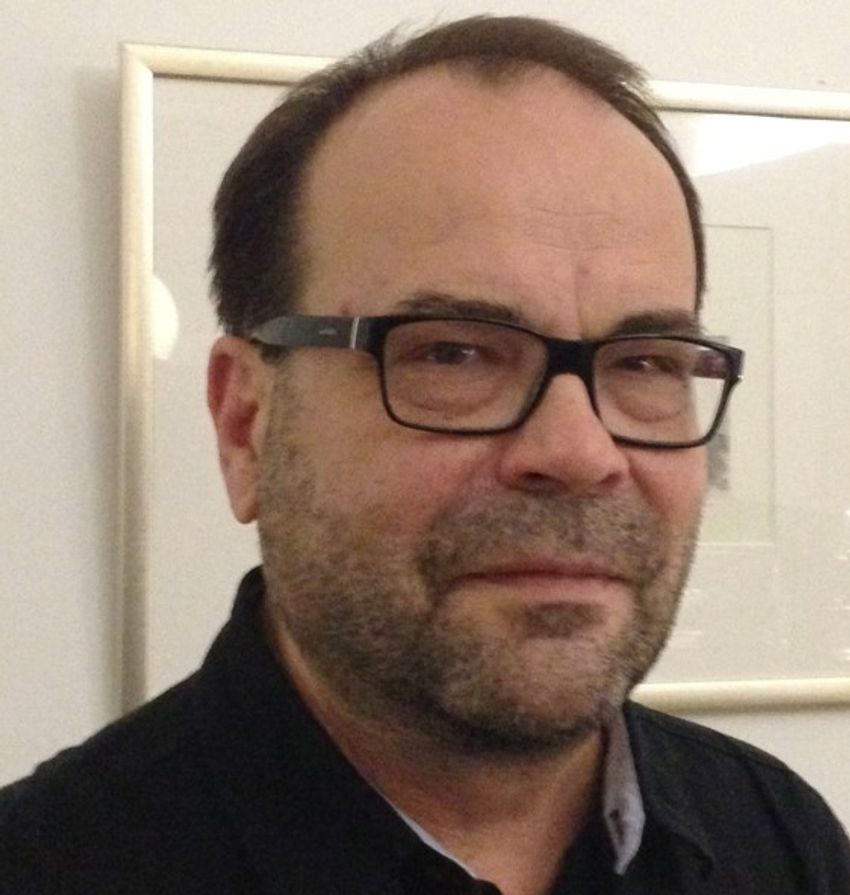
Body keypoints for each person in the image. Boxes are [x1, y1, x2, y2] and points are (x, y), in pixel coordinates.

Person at [1, 14, 848, 895]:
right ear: (246, 423)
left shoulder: (780, 840)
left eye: (644, 363)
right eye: (452, 353)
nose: (580, 451)